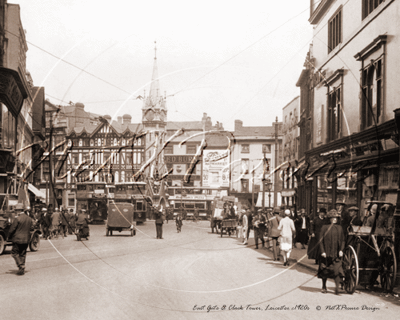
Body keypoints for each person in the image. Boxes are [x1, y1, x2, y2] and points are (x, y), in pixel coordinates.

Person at [318, 209, 345, 295]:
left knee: (336, 270)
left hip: (336, 254)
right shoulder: (324, 227)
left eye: (336, 217)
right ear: (329, 218)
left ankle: (337, 288)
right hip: (326, 253)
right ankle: (324, 286)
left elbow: (343, 240)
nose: (335, 219)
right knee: (325, 270)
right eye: (333, 217)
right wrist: (322, 251)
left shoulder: (339, 228)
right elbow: (320, 240)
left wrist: (341, 250)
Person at [8, 203, 33, 275]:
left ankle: (20, 265)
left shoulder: (17, 219)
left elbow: (12, 229)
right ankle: (22, 268)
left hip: (17, 239)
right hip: (26, 239)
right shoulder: (29, 219)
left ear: (19, 210)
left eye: (16, 210)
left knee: (14, 253)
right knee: (23, 253)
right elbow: (31, 228)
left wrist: (9, 237)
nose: (16, 211)